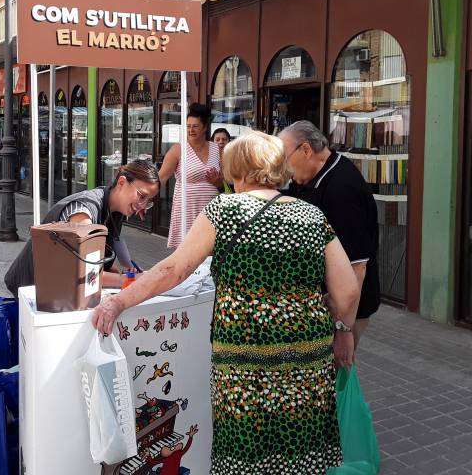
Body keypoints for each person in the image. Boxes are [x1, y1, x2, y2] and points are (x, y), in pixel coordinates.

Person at [93, 131, 360, 475]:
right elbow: (348, 291)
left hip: (243, 359)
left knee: (245, 449)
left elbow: (173, 269)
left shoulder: (224, 210)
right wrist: (343, 331)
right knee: (300, 447)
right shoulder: (312, 215)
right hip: (306, 355)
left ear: (238, 170)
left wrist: (119, 303)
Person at [279, 121, 379, 349]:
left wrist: (343, 328)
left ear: (306, 150)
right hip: (322, 303)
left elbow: (357, 267)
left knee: (332, 377)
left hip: (344, 311)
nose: (284, 169)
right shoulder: (309, 178)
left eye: (285, 159)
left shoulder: (341, 189)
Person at [4, 159, 160, 295]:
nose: (143, 206)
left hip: (56, 291)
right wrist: (128, 280)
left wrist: (127, 274)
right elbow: (87, 273)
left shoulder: (116, 209)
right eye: (141, 196)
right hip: (32, 289)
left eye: (149, 201)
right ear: (121, 183)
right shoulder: (84, 211)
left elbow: (103, 258)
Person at [158, 103, 222, 248]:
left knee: (210, 251)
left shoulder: (216, 148)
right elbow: (161, 178)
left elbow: (224, 181)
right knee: (187, 254)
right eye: (188, 126)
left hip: (211, 210)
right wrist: (143, 198)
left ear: (205, 127)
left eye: (195, 126)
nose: (191, 130)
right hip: (187, 209)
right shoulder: (178, 150)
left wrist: (218, 181)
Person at [211, 128, 233, 193]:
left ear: (229, 141)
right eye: (217, 140)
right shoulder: (208, 158)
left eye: (224, 139)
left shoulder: (234, 159)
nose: (221, 142)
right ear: (212, 142)